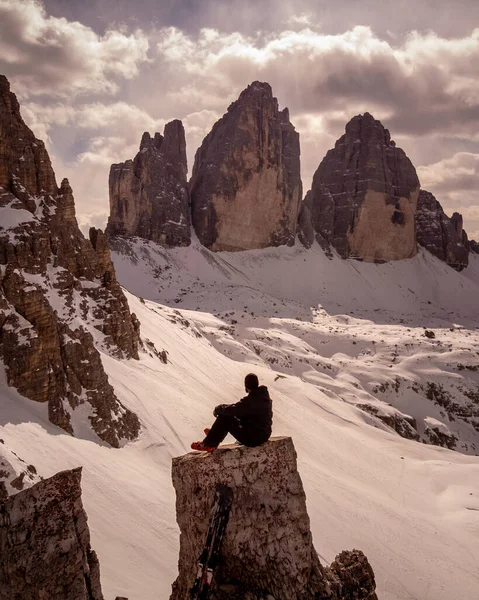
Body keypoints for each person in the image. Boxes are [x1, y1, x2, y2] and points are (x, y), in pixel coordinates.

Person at [191, 373, 272, 452]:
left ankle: (209, 444)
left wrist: (218, 409)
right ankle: (214, 435)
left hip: (253, 439)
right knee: (229, 416)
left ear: (246, 386)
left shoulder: (252, 400)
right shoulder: (263, 397)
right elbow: (242, 411)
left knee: (225, 418)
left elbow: (233, 410)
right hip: (263, 435)